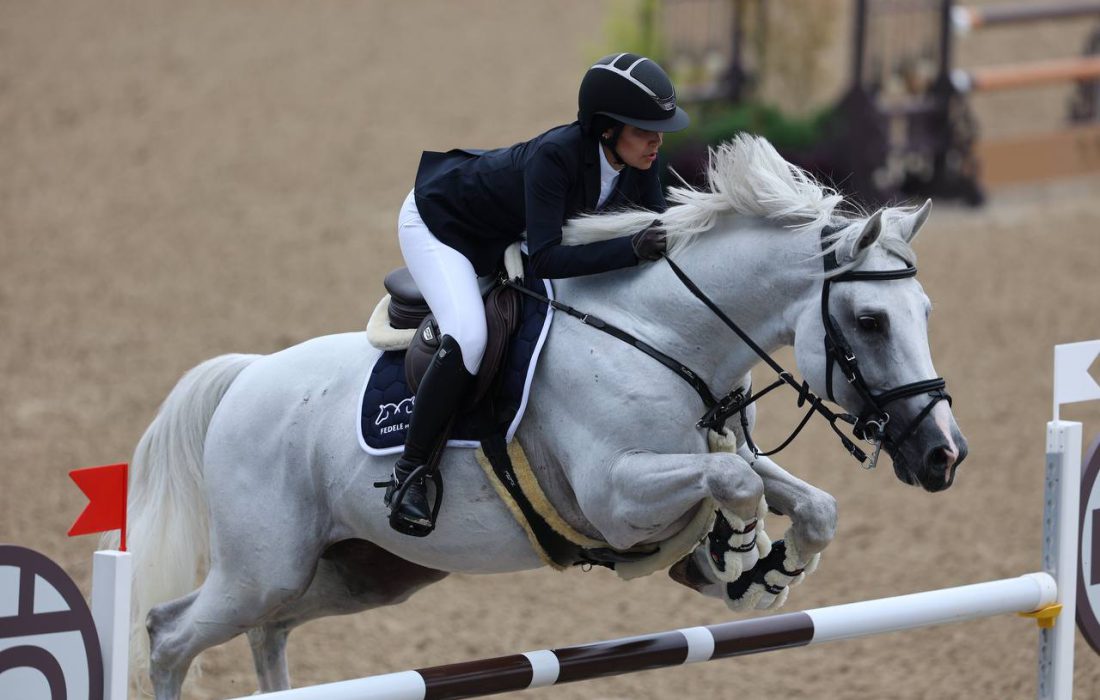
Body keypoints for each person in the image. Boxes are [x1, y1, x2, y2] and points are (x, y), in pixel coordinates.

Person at [384, 52, 690, 536]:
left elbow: (660, 231)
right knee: (468, 335)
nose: (657, 140)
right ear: (606, 129)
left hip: (511, 229)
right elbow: (546, 258)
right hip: (442, 224)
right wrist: (630, 249)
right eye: (643, 129)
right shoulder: (557, 155)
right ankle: (410, 474)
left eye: (659, 130)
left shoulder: (641, 161)